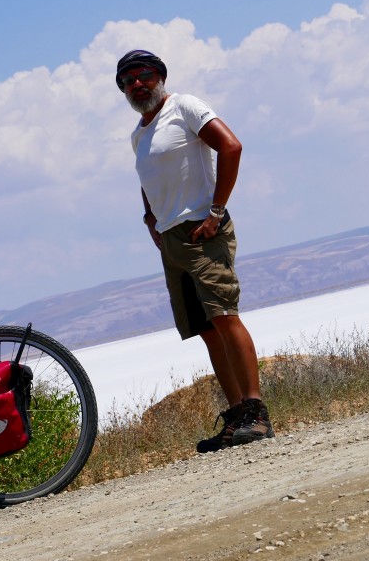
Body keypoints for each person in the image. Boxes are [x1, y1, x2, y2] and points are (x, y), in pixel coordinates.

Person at [117, 49, 273, 452]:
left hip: (203, 228)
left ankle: (256, 413)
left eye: (144, 74)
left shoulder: (184, 106)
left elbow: (231, 147)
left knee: (223, 316)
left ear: (160, 76)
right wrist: (150, 219)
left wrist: (216, 211)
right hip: (171, 238)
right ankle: (238, 415)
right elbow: (148, 175)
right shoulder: (140, 132)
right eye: (128, 80)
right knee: (206, 329)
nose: (137, 84)